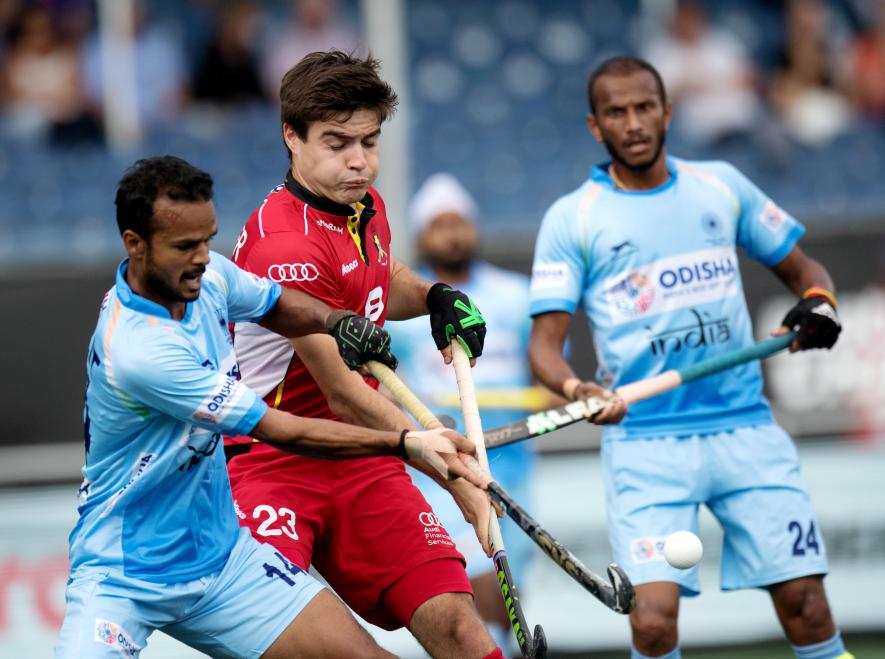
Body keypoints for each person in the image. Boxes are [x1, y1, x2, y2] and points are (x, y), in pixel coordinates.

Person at [55, 155, 487, 659]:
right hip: (124, 576)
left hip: (222, 562)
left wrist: (335, 322)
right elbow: (283, 430)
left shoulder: (206, 275)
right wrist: (407, 443)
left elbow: (273, 303)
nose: (201, 257)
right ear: (135, 244)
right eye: (184, 247)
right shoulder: (141, 351)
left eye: (207, 240)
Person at [527, 56, 850, 659]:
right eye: (616, 112)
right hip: (645, 443)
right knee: (651, 623)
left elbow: (805, 270)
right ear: (595, 126)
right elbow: (545, 350)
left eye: (644, 107)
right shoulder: (573, 218)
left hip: (744, 427)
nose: (633, 123)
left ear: (667, 111)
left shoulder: (720, 185)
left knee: (807, 604)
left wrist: (819, 301)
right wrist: (578, 392)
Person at [226, 50, 504, 659]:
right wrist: (452, 474)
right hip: (270, 463)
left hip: (366, 461)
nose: (358, 160)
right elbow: (342, 392)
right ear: (291, 137)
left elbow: (380, 277)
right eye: (337, 142)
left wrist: (435, 295)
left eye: (369, 141)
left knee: (460, 629)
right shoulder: (283, 245)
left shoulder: (362, 206)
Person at [386, 173, 542, 652]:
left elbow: (542, 375)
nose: (453, 234)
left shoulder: (517, 295)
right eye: (439, 225)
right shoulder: (403, 313)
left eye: (460, 223)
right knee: (479, 578)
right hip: (445, 468)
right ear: (421, 235)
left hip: (513, 464)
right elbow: (386, 389)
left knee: (510, 584)